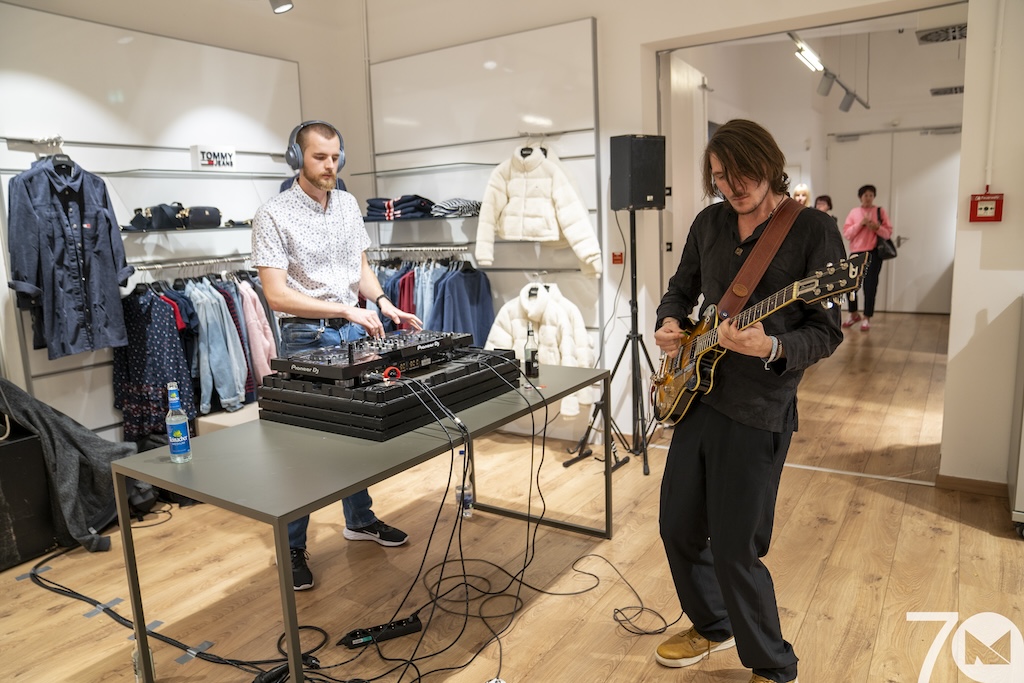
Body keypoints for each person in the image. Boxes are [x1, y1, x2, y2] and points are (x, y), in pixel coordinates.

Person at [652, 119, 845, 683]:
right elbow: (681, 287)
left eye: (742, 174)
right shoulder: (709, 222)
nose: (732, 186)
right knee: (677, 527)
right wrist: (670, 321)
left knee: (737, 546)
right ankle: (714, 624)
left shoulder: (813, 230)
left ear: (769, 165)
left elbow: (826, 332)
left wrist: (773, 346)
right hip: (696, 395)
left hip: (759, 407)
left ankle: (773, 665)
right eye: (720, 177)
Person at [251, 121, 422, 591]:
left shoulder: (346, 203)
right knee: (304, 449)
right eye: (319, 157)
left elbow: (359, 267)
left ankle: (359, 520)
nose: (330, 166)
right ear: (296, 158)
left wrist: (383, 302)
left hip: (352, 331)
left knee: (357, 434)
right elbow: (277, 295)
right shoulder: (272, 215)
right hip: (306, 337)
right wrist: (343, 308)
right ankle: (291, 545)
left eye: (335, 157)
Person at [841, 184, 892, 331]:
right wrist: (861, 224)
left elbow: (888, 233)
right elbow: (847, 234)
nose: (868, 198)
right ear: (860, 197)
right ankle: (853, 314)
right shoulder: (854, 212)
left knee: (870, 286)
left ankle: (866, 318)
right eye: (865, 195)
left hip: (873, 253)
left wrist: (876, 227)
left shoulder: (879, 211)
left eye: (871, 195)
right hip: (855, 253)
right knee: (850, 285)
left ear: (874, 197)